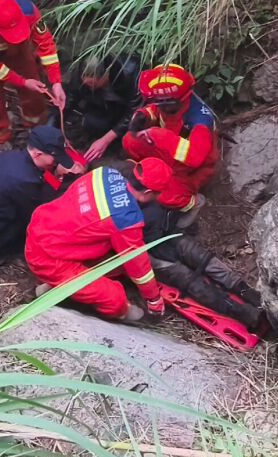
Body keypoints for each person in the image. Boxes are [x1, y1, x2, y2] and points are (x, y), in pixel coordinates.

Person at [24, 159, 176, 323]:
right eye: (158, 193)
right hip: (48, 258)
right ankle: (54, 288)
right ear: (147, 192)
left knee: (114, 263)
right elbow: (138, 265)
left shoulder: (104, 173)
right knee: (115, 298)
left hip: (43, 229)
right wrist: (153, 300)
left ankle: (54, 288)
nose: (159, 197)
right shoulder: (125, 219)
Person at [139, 199, 268, 332]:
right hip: (155, 247)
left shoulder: (145, 194)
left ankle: (248, 296)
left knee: (201, 262)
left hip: (169, 236)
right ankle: (244, 311)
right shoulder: (131, 210)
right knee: (190, 279)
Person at [0, 126, 85, 264]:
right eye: (55, 159)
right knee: (40, 228)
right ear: (38, 154)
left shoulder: (10, 156)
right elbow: (39, 212)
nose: (57, 163)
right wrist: (57, 177)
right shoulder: (25, 181)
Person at [121, 63, 220, 228]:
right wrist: (142, 116)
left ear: (176, 100)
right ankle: (147, 171)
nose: (159, 106)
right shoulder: (170, 104)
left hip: (191, 169)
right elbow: (155, 110)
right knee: (130, 141)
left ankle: (193, 203)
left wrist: (160, 136)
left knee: (163, 196)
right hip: (169, 153)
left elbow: (194, 158)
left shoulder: (200, 122)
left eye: (161, 103)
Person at [0, 0, 67, 151]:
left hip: (19, 49)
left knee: (34, 91)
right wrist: (22, 82)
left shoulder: (29, 10)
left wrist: (56, 82)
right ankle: (1, 140)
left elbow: (46, 44)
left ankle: (37, 128)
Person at [48, 52, 142, 163]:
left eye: (93, 84)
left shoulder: (131, 75)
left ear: (107, 75)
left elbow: (134, 111)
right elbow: (70, 100)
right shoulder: (79, 72)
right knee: (92, 123)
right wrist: (51, 130)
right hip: (104, 106)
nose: (88, 85)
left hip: (126, 109)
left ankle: (118, 142)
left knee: (133, 133)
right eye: (86, 84)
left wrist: (105, 140)